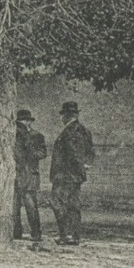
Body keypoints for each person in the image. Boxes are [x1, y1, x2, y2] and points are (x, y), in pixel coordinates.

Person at [49, 101, 96, 245]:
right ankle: (75, 235)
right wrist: (86, 165)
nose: (61, 118)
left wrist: (79, 165)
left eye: (62, 115)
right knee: (73, 205)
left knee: (56, 202)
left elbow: (73, 154)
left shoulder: (69, 132)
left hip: (65, 175)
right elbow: (91, 152)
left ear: (66, 116)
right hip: (76, 176)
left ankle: (66, 234)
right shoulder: (84, 130)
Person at [11, 108, 47, 250]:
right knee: (14, 206)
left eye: (26, 121)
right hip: (16, 174)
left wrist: (30, 150)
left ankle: (36, 233)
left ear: (29, 122)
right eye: (21, 122)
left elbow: (42, 153)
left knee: (31, 205)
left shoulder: (36, 136)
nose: (24, 124)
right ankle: (16, 232)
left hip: (30, 175)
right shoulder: (13, 136)